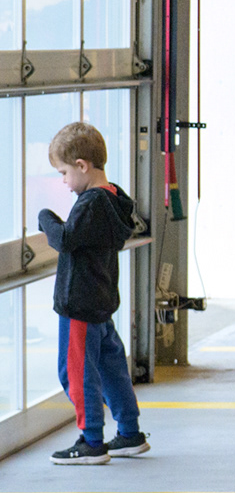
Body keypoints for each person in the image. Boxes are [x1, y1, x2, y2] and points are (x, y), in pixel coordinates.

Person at [41, 121, 145, 466]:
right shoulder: (114, 199)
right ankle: (129, 432)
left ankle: (92, 441)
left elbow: (65, 239)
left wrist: (45, 218)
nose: (64, 181)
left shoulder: (90, 203)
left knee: (76, 373)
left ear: (82, 166)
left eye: (64, 173)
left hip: (80, 306)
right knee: (112, 369)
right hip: (101, 302)